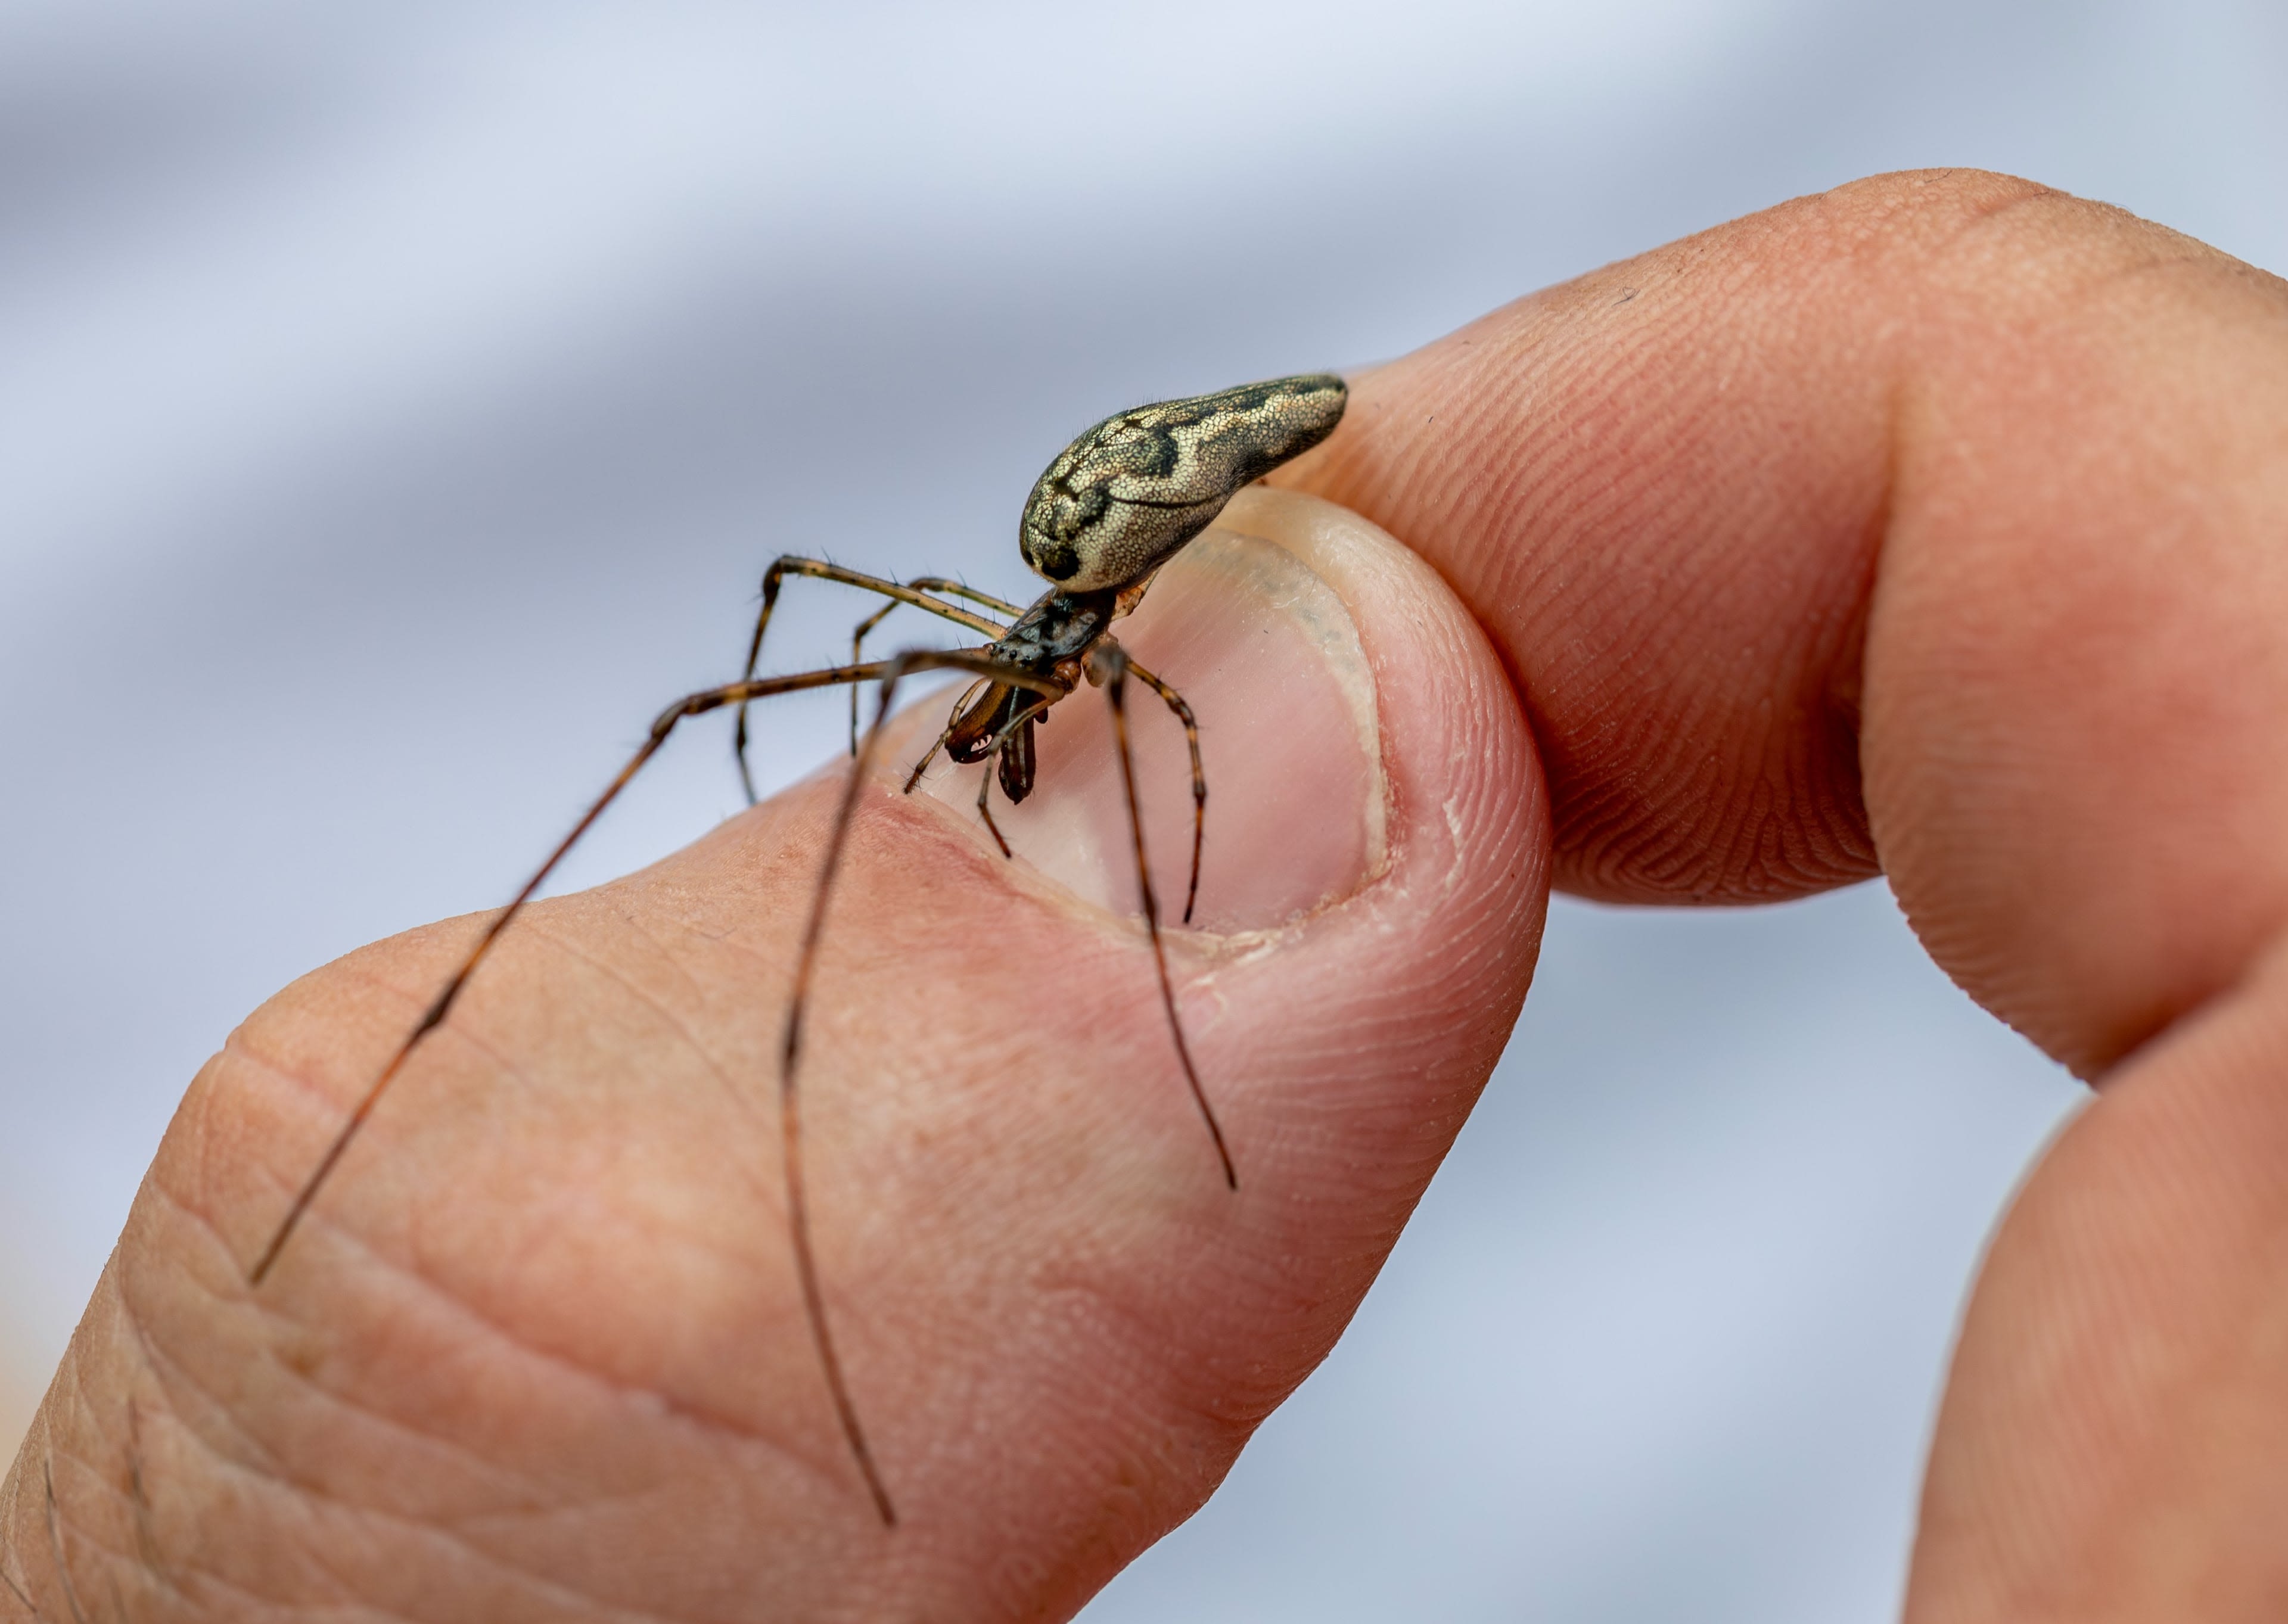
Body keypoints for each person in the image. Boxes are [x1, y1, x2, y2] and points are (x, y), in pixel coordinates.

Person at [8, 168, 2285, 1621]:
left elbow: (1181, 731)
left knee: (1020, 685)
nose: (1014, 738)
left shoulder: (1130, 680)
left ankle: (1178, 1010)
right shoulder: (1035, 663)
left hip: (1151, 510)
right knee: (772, 654)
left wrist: (1184, 992)